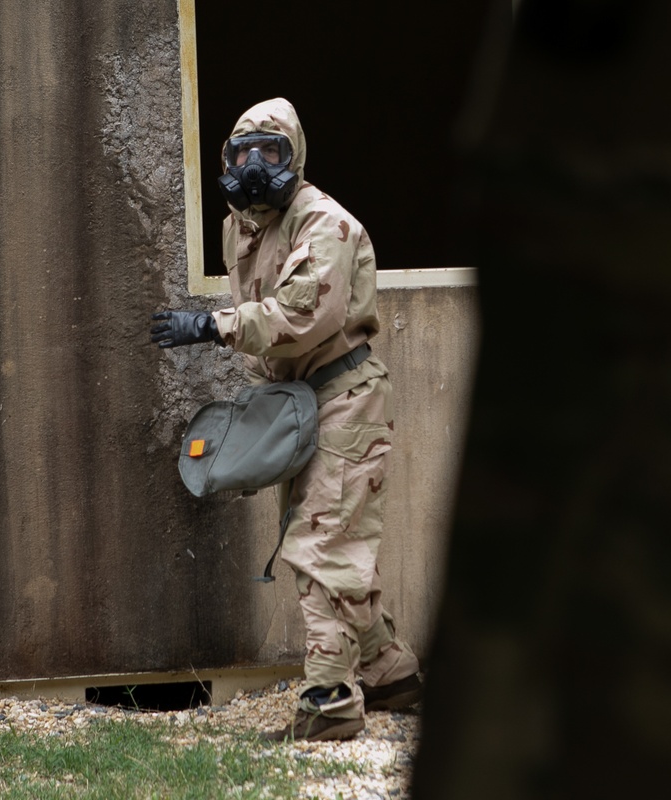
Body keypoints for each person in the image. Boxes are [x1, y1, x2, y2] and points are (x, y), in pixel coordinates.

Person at [150, 97, 422, 741]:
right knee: (327, 541)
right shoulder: (240, 226)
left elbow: (301, 316)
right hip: (298, 403)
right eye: (241, 153)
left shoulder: (323, 222)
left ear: (294, 157)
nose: (253, 167)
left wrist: (212, 324)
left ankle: (329, 705)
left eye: (269, 153)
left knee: (318, 547)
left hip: (345, 397)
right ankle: (390, 673)